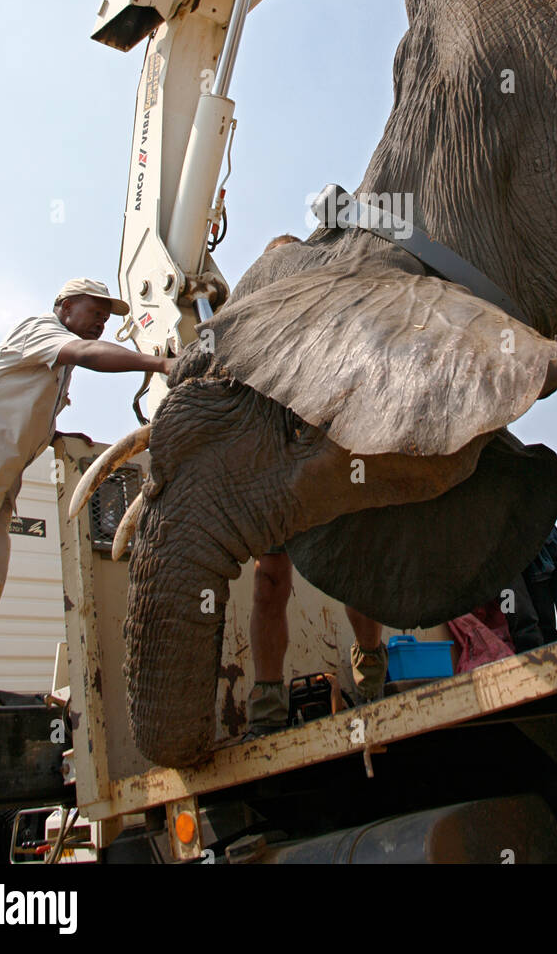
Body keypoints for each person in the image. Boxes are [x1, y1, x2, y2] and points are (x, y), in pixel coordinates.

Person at [0, 278, 174, 711]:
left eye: (106, 315)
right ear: (63, 307)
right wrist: (161, 364)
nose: (101, 320)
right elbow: (85, 353)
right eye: (93, 310)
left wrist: (55, 435)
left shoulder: (59, 374)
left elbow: (20, 409)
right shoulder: (40, 330)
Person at [245, 236, 387, 739]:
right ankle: (265, 705)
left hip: (331, 465)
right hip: (279, 471)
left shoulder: (329, 316)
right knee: (268, 582)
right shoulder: (254, 325)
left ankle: (371, 677)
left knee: (355, 574)